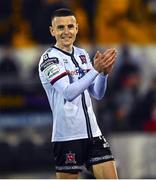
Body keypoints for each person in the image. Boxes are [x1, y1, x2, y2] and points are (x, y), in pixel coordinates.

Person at [39, 8, 118, 179]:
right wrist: (95, 71)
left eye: (70, 26)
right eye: (60, 28)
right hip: (67, 137)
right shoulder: (49, 59)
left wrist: (103, 74)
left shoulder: (82, 54)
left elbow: (97, 93)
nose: (66, 32)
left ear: (77, 28)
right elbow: (68, 93)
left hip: (93, 134)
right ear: (52, 31)